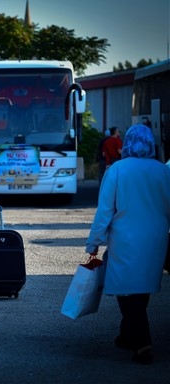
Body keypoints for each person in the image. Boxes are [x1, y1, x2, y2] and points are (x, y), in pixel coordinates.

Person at [86, 124, 170, 365]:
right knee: (141, 287)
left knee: (126, 290)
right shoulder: (163, 171)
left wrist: (94, 242)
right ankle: (127, 335)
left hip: (125, 240)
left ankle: (142, 342)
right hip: (156, 240)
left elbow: (105, 211)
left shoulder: (118, 170)